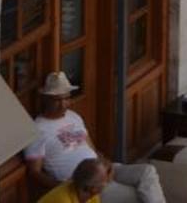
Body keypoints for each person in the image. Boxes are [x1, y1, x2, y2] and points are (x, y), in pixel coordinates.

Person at [26, 74, 164, 203]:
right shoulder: (37, 130)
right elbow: (34, 172)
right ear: (46, 99)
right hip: (87, 185)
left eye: (66, 98)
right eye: (57, 100)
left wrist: (105, 163)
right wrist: (65, 186)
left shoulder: (73, 116)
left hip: (102, 169)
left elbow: (91, 148)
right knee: (135, 195)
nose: (63, 104)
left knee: (147, 172)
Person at [42, 158, 106, 203]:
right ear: (89, 188)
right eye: (103, 181)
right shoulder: (63, 200)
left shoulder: (92, 195)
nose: (105, 184)